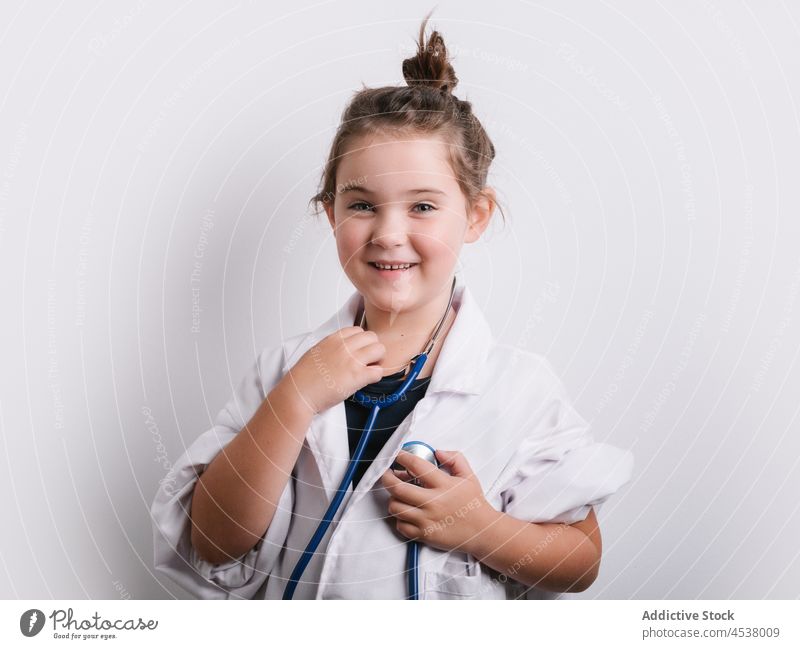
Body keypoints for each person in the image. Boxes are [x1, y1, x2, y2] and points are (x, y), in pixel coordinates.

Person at [150, 11, 633, 600]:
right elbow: (212, 541)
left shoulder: (518, 389)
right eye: (361, 205)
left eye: (423, 207)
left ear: (475, 215)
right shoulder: (283, 372)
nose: (387, 233)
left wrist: (481, 529)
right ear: (330, 214)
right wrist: (295, 400)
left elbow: (581, 562)